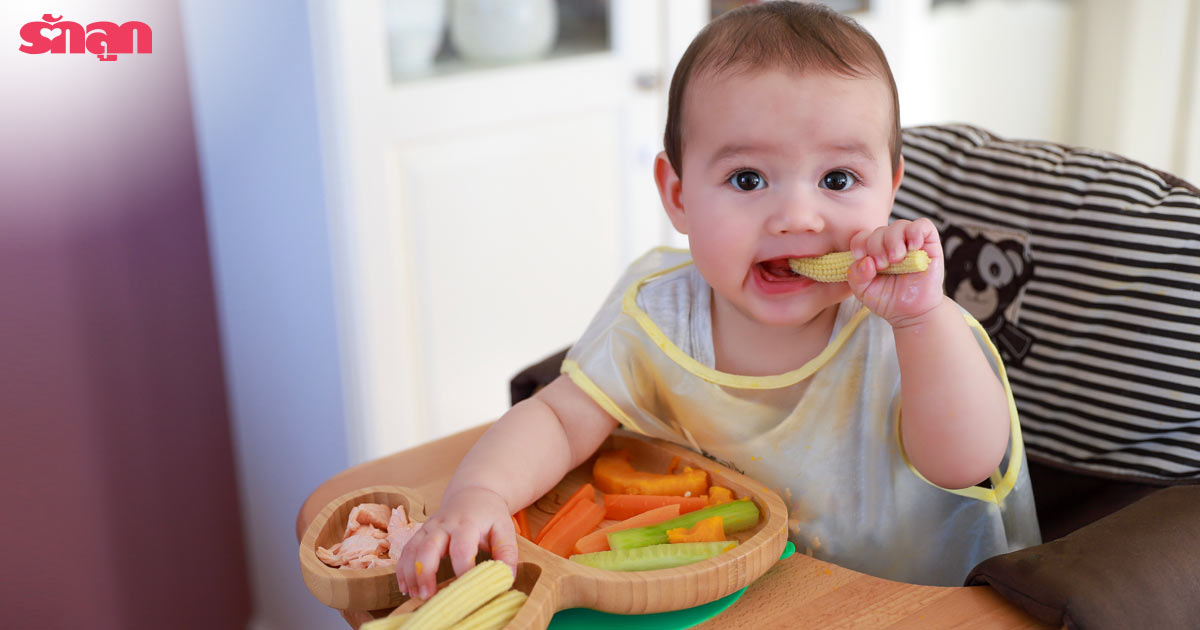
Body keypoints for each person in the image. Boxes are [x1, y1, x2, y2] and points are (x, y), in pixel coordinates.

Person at [397, 1, 1039, 598]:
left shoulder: (907, 324)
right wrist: (478, 493)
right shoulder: (656, 316)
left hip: (913, 606)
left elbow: (966, 463)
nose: (797, 217)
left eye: (838, 179)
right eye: (748, 178)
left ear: (890, 189)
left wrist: (924, 320)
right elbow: (560, 421)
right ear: (677, 196)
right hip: (742, 602)